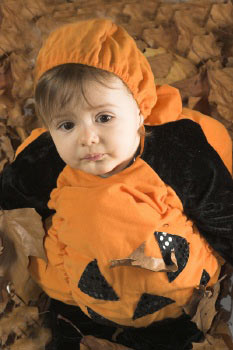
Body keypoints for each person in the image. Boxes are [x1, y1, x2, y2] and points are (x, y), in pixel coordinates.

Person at [0, 18, 233, 350]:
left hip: (176, 302)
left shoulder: (178, 152)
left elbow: (224, 216)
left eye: (103, 118)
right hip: (78, 299)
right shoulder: (46, 160)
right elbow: (10, 201)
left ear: (140, 110)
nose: (87, 138)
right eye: (66, 125)